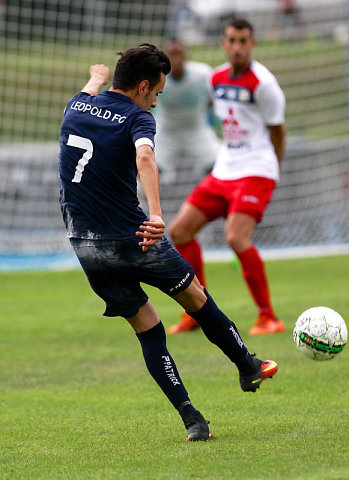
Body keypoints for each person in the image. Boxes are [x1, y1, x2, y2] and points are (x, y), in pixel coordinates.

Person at [58, 43, 278, 442]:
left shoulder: (76, 106)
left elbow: (90, 91)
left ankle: (192, 419)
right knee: (195, 297)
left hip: (86, 247)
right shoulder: (137, 117)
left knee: (147, 327)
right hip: (133, 237)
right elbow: (145, 158)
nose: (156, 102)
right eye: (157, 93)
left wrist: (95, 76)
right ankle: (247, 365)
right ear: (143, 87)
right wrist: (156, 214)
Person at [168, 18, 286, 336]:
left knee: (236, 238)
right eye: (232, 40)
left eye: (243, 41)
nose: (237, 47)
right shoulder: (216, 78)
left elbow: (277, 131)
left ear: (253, 44)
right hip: (225, 169)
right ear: (223, 43)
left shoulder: (264, 84)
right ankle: (196, 311)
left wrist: (271, 168)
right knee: (179, 231)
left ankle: (268, 317)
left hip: (256, 171)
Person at [155, 39, 220, 184]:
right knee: (143, 174)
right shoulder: (157, 77)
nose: (176, 59)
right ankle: (139, 207)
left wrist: (215, 122)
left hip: (196, 130)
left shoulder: (202, 74)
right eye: (172, 54)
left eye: (179, 54)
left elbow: (215, 100)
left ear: (186, 56)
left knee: (220, 172)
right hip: (166, 132)